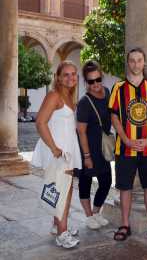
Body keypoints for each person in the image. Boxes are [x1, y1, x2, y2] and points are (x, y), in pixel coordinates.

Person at [108, 47, 147, 242]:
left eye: (139, 60)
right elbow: (114, 117)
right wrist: (126, 139)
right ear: (128, 63)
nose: (136, 64)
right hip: (124, 147)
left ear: (145, 63)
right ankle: (125, 224)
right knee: (125, 187)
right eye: (132, 60)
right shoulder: (118, 88)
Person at [32, 61, 82, 249]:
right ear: (58, 78)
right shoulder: (54, 96)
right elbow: (40, 123)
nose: (71, 78)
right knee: (64, 190)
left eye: (74, 74)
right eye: (66, 74)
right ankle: (62, 233)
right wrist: (54, 148)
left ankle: (57, 225)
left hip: (66, 149)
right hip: (58, 152)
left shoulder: (68, 96)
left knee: (61, 187)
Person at [76, 61, 112, 230]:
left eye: (98, 79)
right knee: (86, 181)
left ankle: (96, 212)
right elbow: (81, 131)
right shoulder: (84, 102)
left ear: (101, 77)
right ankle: (89, 215)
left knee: (106, 182)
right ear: (86, 82)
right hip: (87, 147)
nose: (96, 84)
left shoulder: (107, 92)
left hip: (102, 147)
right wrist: (86, 156)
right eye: (91, 81)